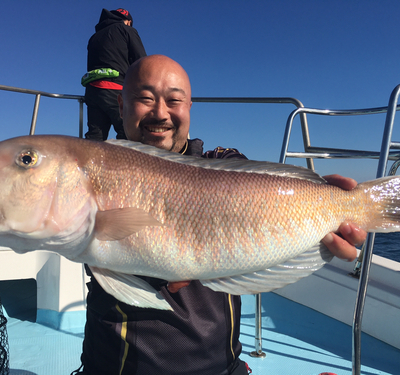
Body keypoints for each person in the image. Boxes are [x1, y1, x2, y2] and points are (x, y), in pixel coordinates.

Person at [74, 55, 365, 375]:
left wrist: (330, 214)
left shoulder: (223, 161)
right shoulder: (95, 171)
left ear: (188, 107)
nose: (159, 113)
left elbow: (258, 193)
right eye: (145, 98)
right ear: (121, 103)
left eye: (174, 100)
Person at [82, 8, 146, 141]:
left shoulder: (94, 37)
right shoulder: (127, 30)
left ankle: (88, 162)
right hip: (115, 89)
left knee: (95, 138)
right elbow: (141, 61)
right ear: (128, 21)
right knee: (129, 135)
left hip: (92, 92)